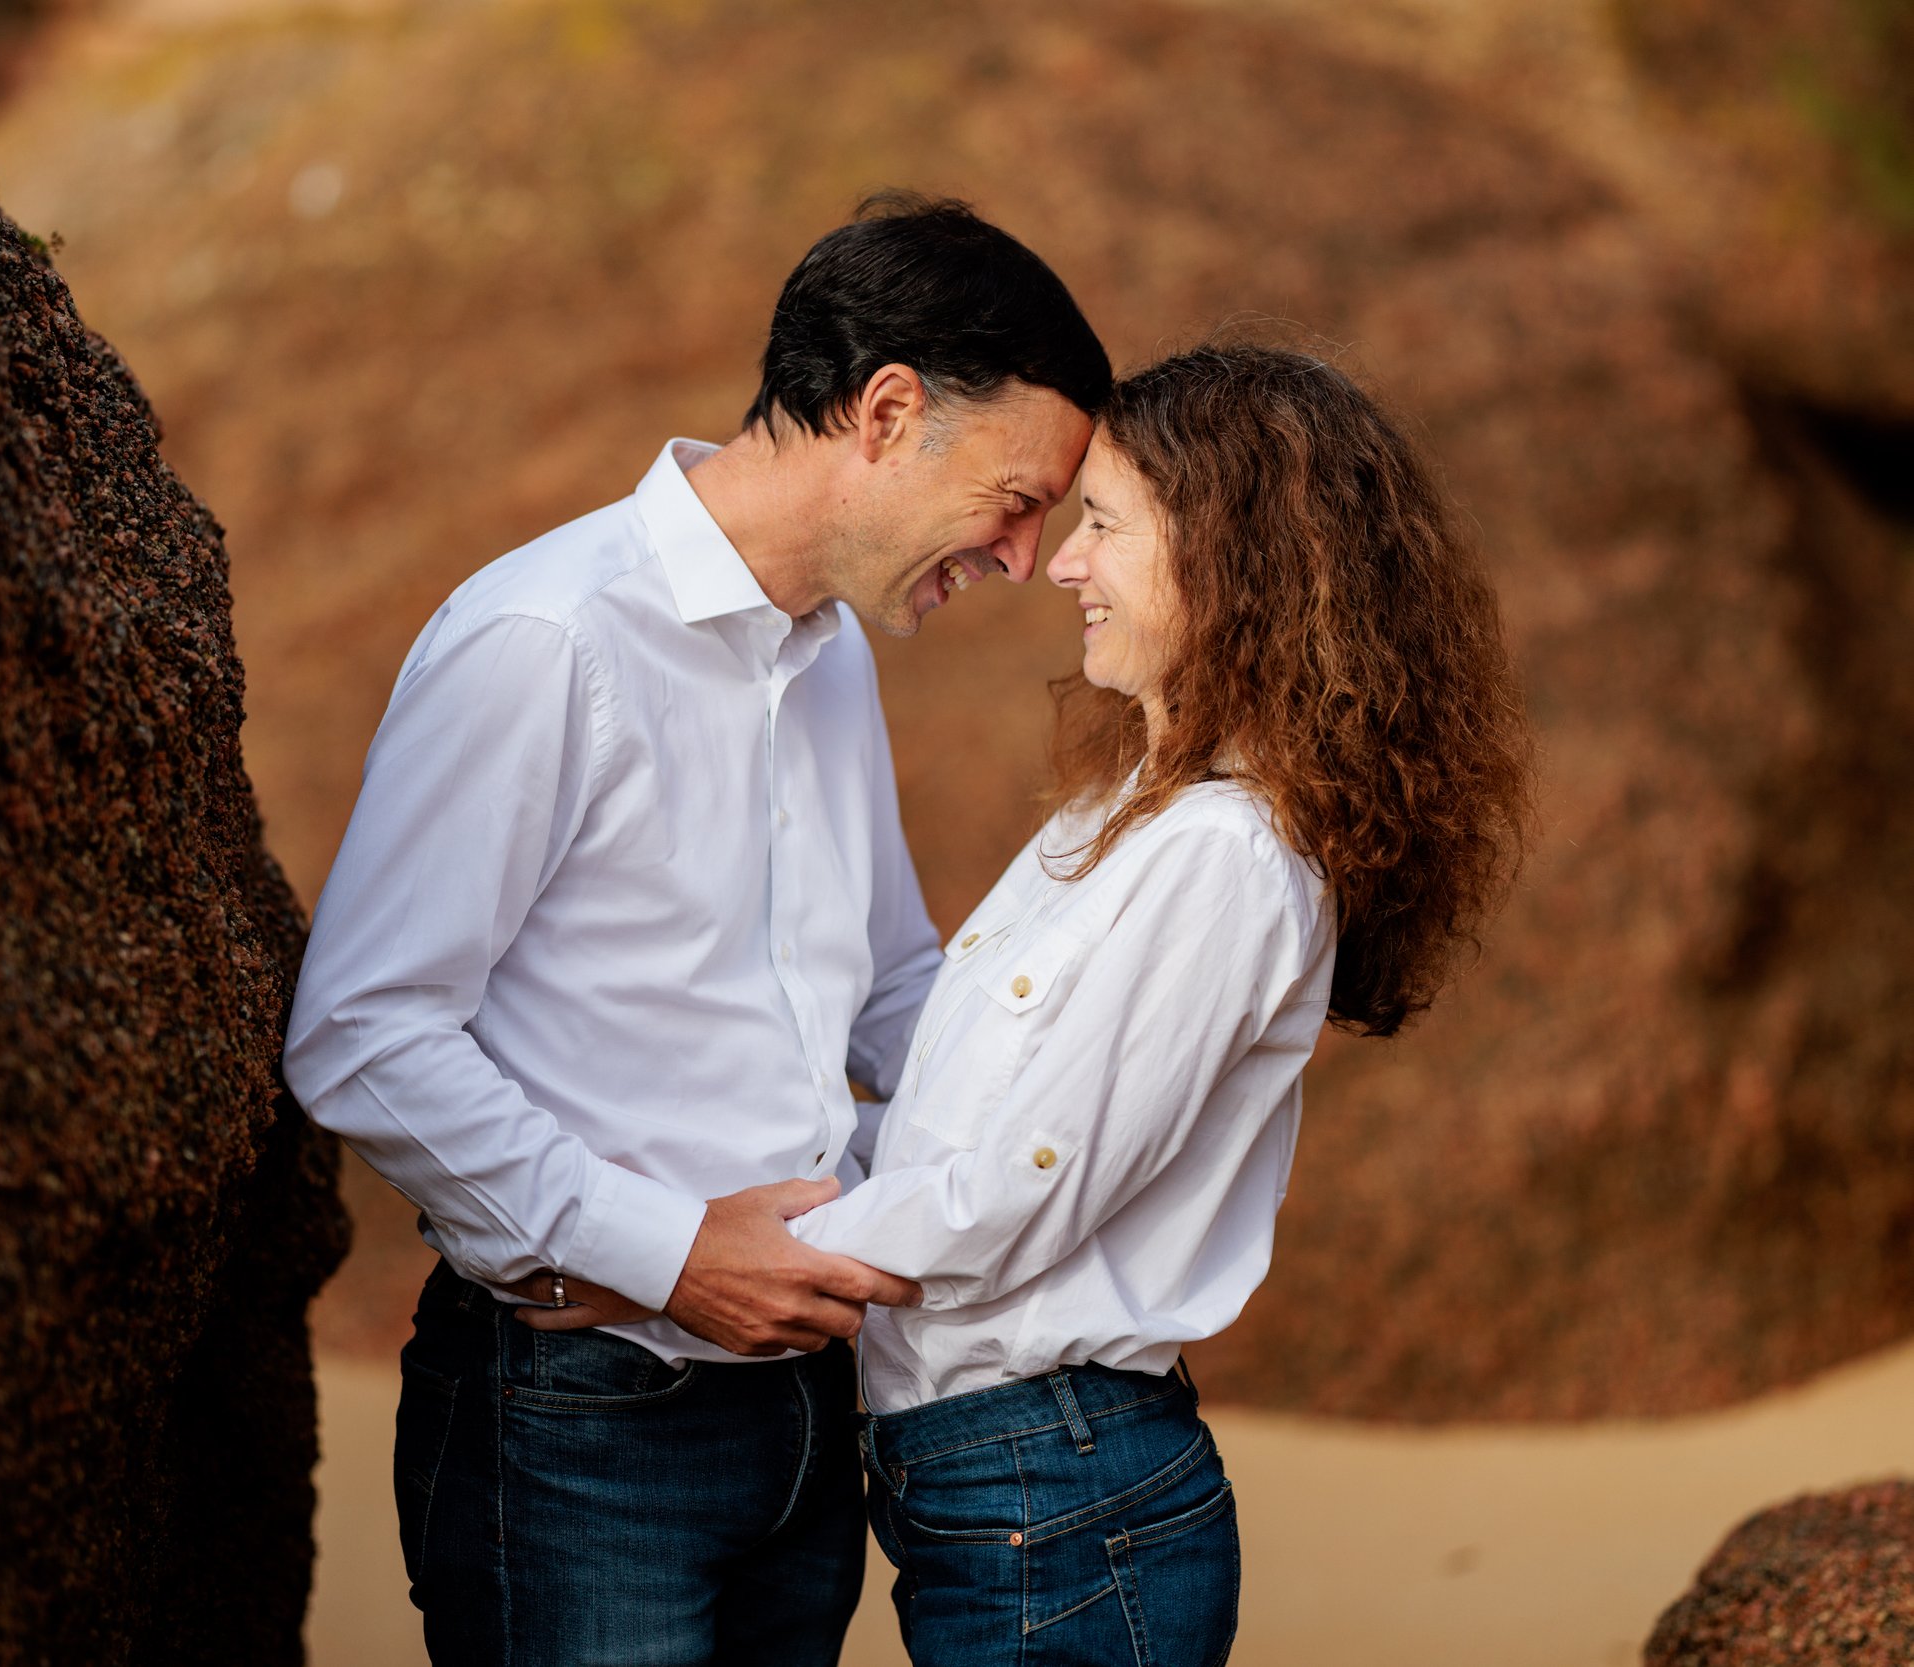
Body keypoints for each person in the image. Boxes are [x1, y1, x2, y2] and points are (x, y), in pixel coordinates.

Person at [522, 344, 1536, 1665]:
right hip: (1000, 1489)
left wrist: (666, 1266)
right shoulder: (1127, 811)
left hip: (1060, 1500)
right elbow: (954, 1119)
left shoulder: (1228, 857)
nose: (1060, 562)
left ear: (1237, 562)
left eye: (1105, 525)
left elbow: (1010, 1191)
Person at [281, 194, 1112, 1666]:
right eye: (1016, 496)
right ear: (887, 410)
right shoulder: (545, 640)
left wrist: (1088, 1094)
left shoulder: (837, 649)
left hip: (808, 1417)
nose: (1025, 557)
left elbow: (888, 984)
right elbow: (362, 1033)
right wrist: (667, 1254)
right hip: (584, 1427)